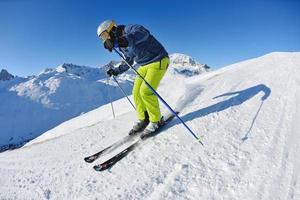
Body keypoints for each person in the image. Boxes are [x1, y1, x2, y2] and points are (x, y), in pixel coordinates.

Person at [97, 20, 169, 136]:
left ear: (111, 29)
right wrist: (115, 71)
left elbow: (142, 34)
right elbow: (128, 61)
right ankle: (144, 118)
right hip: (144, 65)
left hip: (158, 60)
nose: (105, 39)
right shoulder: (121, 45)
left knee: (145, 92)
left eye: (105, 35)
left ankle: (156, 120)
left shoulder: (130, 29)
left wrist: (119, 41)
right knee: (136, 92)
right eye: (102, 38)